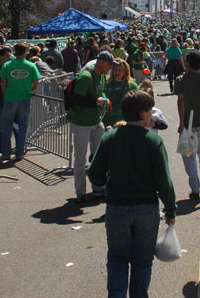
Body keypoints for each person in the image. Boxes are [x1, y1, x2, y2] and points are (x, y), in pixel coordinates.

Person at [87, 90, 176, 298]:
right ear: (142, 113)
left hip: (117, 206)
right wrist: (170, 210)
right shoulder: (153, 141)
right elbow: (165, 182)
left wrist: (105, 183)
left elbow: (94, 173)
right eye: (150, 111)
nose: (152, 115)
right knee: (142, 260)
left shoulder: (110, 138)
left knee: (118, 257)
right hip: (146, 207)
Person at [67, 51, 115, 202]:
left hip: (95, 121)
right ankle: (80, 192)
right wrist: (96, 101)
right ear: (101, 63)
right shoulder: (86, 77)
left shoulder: (101, 76)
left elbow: (99, 94)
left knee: (100, 156)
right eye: (109, 65)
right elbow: (76, 99)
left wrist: (104, 99)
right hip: (81, 123)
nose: (111, 69)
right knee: (80, 159)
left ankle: (99, 188)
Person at [174, 51, 200, 200]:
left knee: (189, 157)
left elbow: (181, 101)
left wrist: (181, 122)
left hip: (188, 125)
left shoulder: (180, 80)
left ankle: (195, 189)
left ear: (188, 64)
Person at [0, 43, 41, 161]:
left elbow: (3, 83)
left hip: (10, 98)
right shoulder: (31, 65)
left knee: (7, 126)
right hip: (24, 98)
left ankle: (6, 152)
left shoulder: (7, 65)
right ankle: (19, 153)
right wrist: (30, 90)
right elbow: (36, 82)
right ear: (25, 52)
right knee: (23, 126)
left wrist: (4, 95)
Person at [103, 59, 139, 128]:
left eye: (119, 70)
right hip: (108, 121)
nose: (117, 72)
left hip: (126, 121)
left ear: (125, 72)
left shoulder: (132, 85)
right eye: (115, 70)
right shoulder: (106, 83)